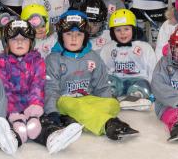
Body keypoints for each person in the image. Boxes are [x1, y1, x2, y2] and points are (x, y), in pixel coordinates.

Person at [42, 10, 140, 141]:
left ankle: (73, 120)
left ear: (85, 36)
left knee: (113, 104)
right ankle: (108, 125)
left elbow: (102, 86)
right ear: (61, 36)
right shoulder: (53, 59)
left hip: (87, 100)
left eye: (79, 34)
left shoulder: (93, 57)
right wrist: (52, 113)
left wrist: (106, 101)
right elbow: (50, 89)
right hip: (63, 102)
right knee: (69, 103)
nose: (74, 38)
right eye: (68, 34)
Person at [0, 18, 84, 154]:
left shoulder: (37, 62)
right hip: (10, 109)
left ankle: (52, 136)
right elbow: (5, 92)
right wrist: (14, 114)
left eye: (24, 39)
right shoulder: (0, 64)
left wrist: (34, 112)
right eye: (14, 39)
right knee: (8, 126)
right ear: (6, 42)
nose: (19, 42)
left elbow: (38, 87)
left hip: (33, 106)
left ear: (31, 42)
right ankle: (11, 139)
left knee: (41, 124)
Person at [100, 8, 156, 110]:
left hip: (138, 80)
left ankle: (134, 98)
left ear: (133, 29)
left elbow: (152, 69)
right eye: (118, 30)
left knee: (143, 86)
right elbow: (103, 70)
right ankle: (110, 97)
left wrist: (152, 87)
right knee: (107, 82)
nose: (122, 33)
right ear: (112, 32)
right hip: (117, 80)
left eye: (126, 29)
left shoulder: (144, 47)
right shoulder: (107, 48)